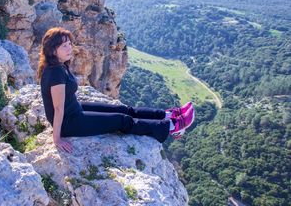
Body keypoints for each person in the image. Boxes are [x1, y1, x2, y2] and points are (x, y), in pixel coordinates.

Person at [38, 27, 195, 153]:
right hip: (69, 122)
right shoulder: (56, 72)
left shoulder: (60, 66)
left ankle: (168, 114)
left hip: (74, 109)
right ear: (53, 50)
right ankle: (172, 126)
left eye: (69, 44)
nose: (69, 48)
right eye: (64, 46)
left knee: (123, 109)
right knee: (122, 120)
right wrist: (57, 138)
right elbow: (58, 108)